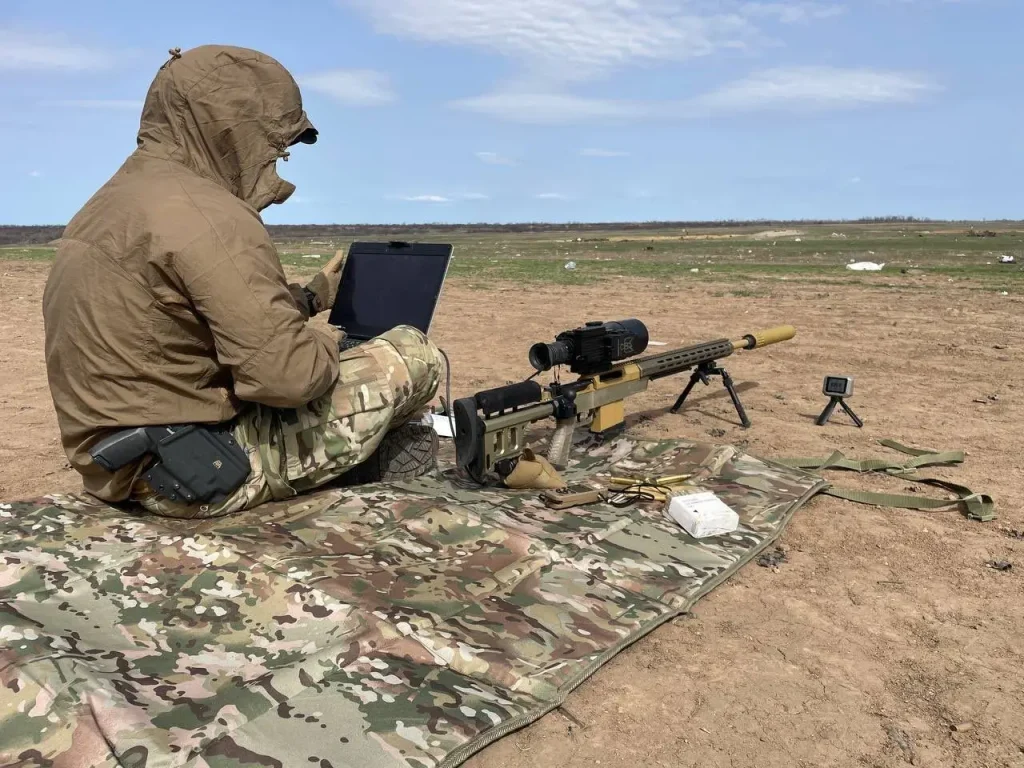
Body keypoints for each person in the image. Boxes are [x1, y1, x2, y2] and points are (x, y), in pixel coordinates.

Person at [41, 44, 444, 520]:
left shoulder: (110, 204)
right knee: (415, 354)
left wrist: (310, 298)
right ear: (237, 131)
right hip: (193, 474)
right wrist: (332, 341)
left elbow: (184, 321)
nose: (277, 159)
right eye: (278, 147)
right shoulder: (214, 216)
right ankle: (379, 501)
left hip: (118, 459)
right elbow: (287, 379)